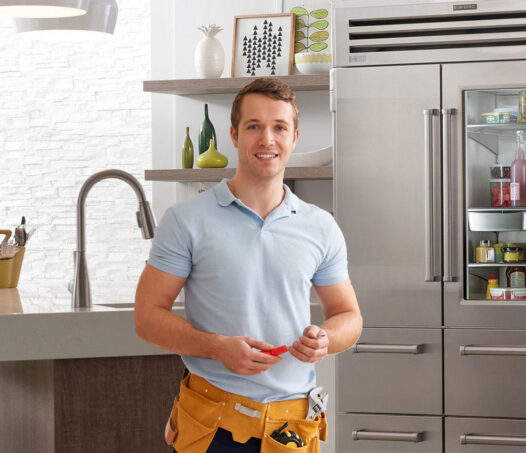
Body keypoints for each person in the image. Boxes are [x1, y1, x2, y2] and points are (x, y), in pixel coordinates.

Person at [135, 77, 362, 453]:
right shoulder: (186, 220)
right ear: (234, 135)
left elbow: (348, 316)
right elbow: (147, 318)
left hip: (292, 429)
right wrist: (218, 348)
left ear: (294, 137)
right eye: (254, 126)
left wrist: (326, 339)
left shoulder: (320, 226)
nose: (267, 139)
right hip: (211, 427)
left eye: (279, 127)